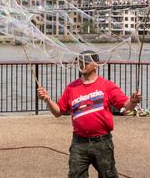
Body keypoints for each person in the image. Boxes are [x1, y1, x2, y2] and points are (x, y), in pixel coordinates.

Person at [37, 50, 142, 178]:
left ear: (96, 65)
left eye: (86, 62)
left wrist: (133, 101)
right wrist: (48, 99)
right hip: (79, 143)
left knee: (108, 175)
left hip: (103, 142)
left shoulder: (107, 85)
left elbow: (127, 105)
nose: (82, 65)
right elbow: (58, 112)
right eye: (80, 62)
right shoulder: (71, 87)